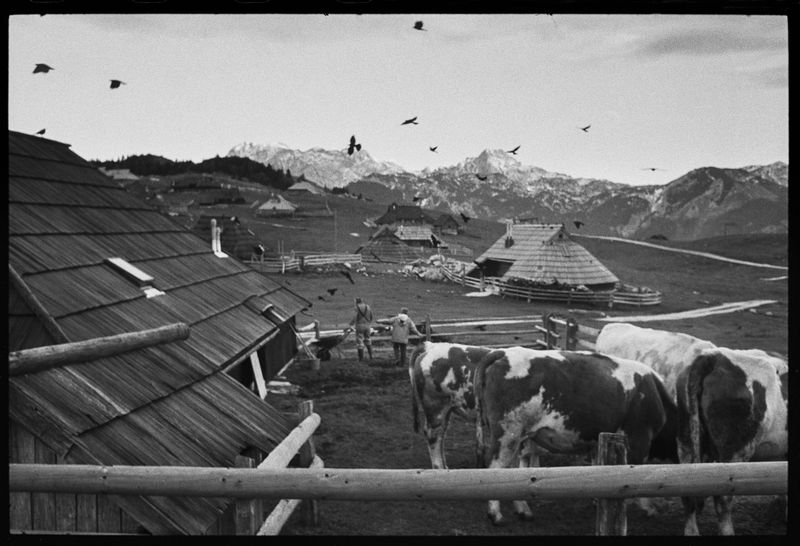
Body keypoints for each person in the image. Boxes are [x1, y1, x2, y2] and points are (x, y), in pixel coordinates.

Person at [346, 297, 373, 361]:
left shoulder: (357, 308)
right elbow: (371, 316)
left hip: (359, 325)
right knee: (368, 340)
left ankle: (361, 359)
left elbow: (355, 317)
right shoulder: (368, 307)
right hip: (367, 325)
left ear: (356, 302)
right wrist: (368, 322)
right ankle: (371, 356)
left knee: (359, 341)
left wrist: (350, 324)